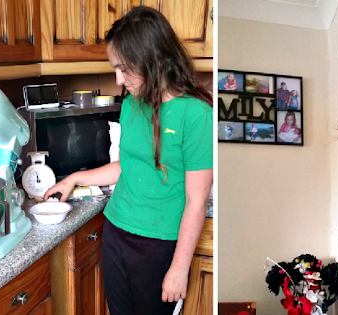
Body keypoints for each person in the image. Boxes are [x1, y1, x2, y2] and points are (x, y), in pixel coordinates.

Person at [43, 6, 213, 315]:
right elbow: (128, 165)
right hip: (116, 231)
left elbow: (196, 201)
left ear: (156, 60)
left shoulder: (197, 114)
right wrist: (74, 179)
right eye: (115, 68)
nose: (119, 79)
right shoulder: (132, 105)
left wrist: (179, 268)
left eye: (124, 68)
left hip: (158, 246)